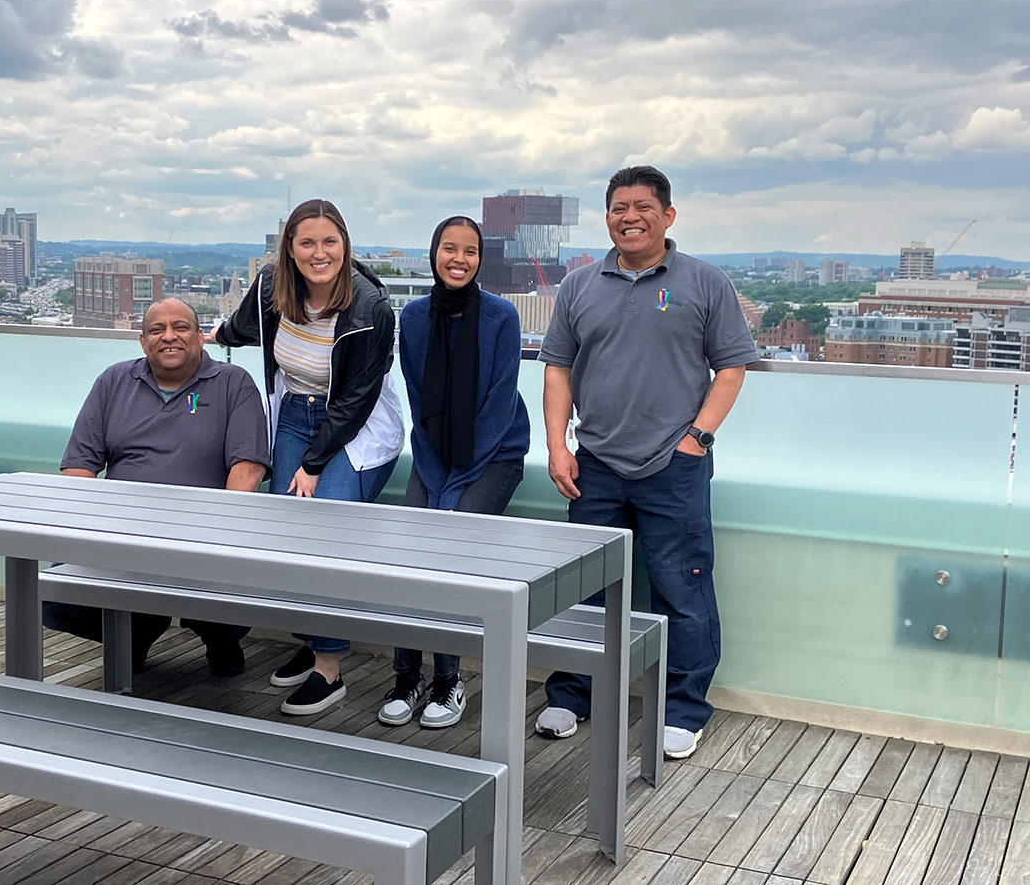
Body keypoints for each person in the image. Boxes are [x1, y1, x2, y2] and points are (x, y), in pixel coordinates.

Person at [534, 166, 758, 760]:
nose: (629, 217)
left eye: (642, 207)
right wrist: (557, 445)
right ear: (606, 217)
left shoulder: (705, 282)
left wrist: (697, 440)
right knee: (581, 587)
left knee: (680, 590)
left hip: (674, 464)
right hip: (595, 463)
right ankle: (571, 692)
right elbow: (557, 366)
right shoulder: (580, 286)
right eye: (618, 208)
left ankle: (682, 708)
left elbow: (731, 368)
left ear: (668, 215)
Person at [213, 198, 404, 716]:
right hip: (294, 414)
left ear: (344, 244)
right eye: (307, 243)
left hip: (353, 428)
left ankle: (330, 668)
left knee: (325, 535)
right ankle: (315, 638)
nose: (320, 253)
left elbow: (357, 399)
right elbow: (247, 326)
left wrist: (313, 464)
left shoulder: (369, 307)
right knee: (287, 535)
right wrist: (214, 337)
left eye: (330, 241)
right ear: (290, 250)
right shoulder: (273, 289)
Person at [45, 297, 270, 676]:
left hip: (204, 533)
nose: (169, 337)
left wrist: (223, 534)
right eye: (157, 330)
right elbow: (79, 468)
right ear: (142, 340)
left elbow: (247, 468)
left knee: (229, 599)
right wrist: (84, 533)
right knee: (56, 592)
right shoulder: (114, 381)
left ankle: (220, 640)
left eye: (181, 327)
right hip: (124, 532)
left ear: (200, 337)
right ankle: (137, 629)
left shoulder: (233, 383)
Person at [378, 216, 530, 729]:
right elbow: (421, 405)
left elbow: (499, 407)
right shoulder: (415, 317)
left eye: (469, 251)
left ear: (480, 258)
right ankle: (408, 676)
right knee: (410, 551)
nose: (459, 259)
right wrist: (436, 473)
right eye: (449, 249)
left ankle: (449, 680)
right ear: (433, 253)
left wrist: (454, 485)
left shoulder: (501, 317)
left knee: (449, 548)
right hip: (435, 451)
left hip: (495, 452)